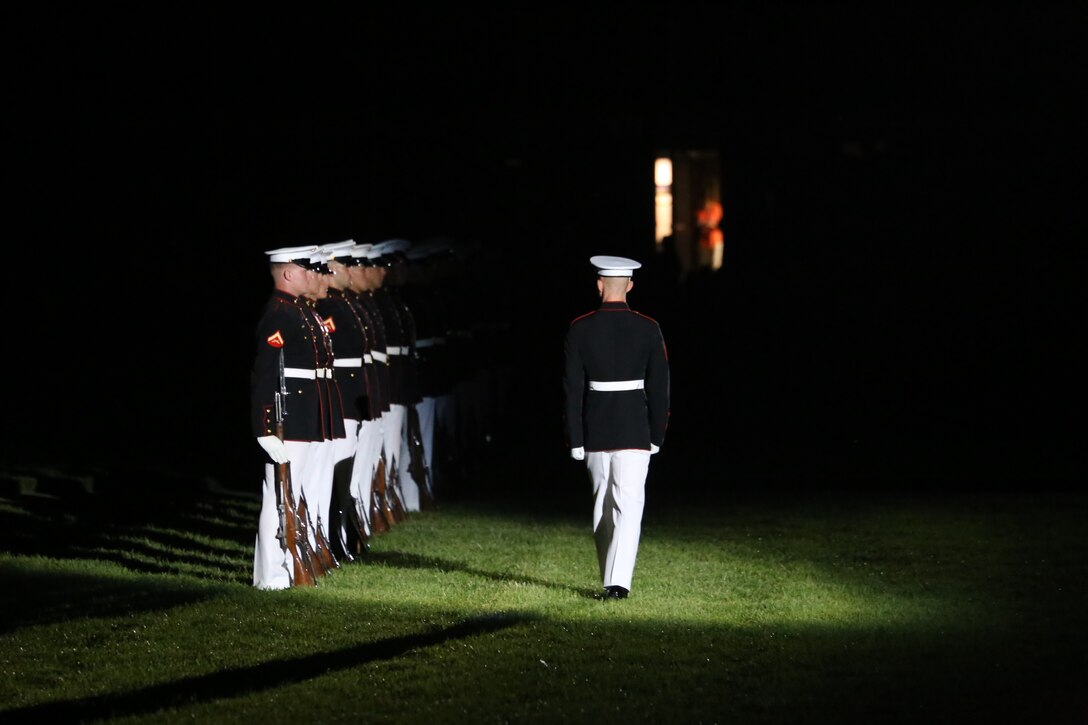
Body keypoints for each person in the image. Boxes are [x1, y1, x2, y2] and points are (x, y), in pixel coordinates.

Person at [563, 255, 670, 601]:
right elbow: (659, 388)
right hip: (634, 427)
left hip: (596, 427)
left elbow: (572, 389)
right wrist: (657, 434)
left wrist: (575, 438)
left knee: (603, 508)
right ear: (630, 286)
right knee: (627, 505)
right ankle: (615, 581)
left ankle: (615, 582)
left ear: (599, 285)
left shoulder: (580, 327)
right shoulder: (648, 327)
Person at [251, 244, 327, 589]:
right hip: (288, 416)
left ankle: (289, 565)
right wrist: (265, 427)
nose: (312, 275)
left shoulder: (296, 311)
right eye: (305, 269)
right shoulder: (279, 313)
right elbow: (265, 372)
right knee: (277, 496)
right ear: (287, 272)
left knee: (294, 493)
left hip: (303, 413)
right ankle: (270, 575)